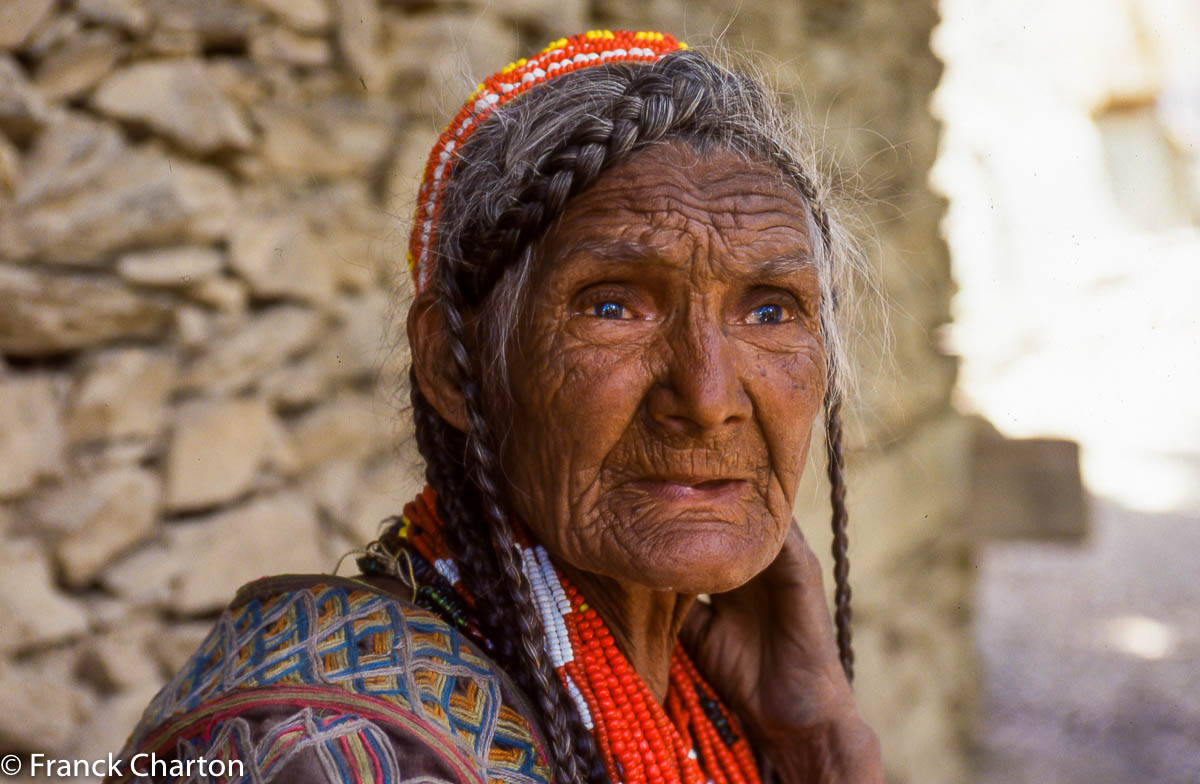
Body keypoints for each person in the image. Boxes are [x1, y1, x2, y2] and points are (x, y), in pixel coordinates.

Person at [109, 30, 882, 784]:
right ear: (454, 363)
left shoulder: (716, 713)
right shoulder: (322, 747)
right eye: (612, 307)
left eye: (771, 311)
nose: (709, 399)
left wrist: (821, 747)